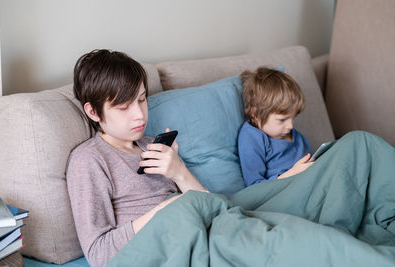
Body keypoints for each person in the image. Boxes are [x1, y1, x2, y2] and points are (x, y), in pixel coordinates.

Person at [66, 49, 207, 267]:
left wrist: (179, 171)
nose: (140, 114)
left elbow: (207, 204)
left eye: (141, 100)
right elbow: (98, 253)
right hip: (173, 243)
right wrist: (168, 209)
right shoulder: (89, 160)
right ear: (93, 111)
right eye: (124, 107)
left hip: (201, 227)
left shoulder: (153, 144)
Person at [238, 67, 313, 186]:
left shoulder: (295, 136)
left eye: (293, 118)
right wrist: (292, 173)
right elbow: (254, 186)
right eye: (282, 120)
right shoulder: (252, 137)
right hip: (283, 191)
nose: (290, 126)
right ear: (255, 114)